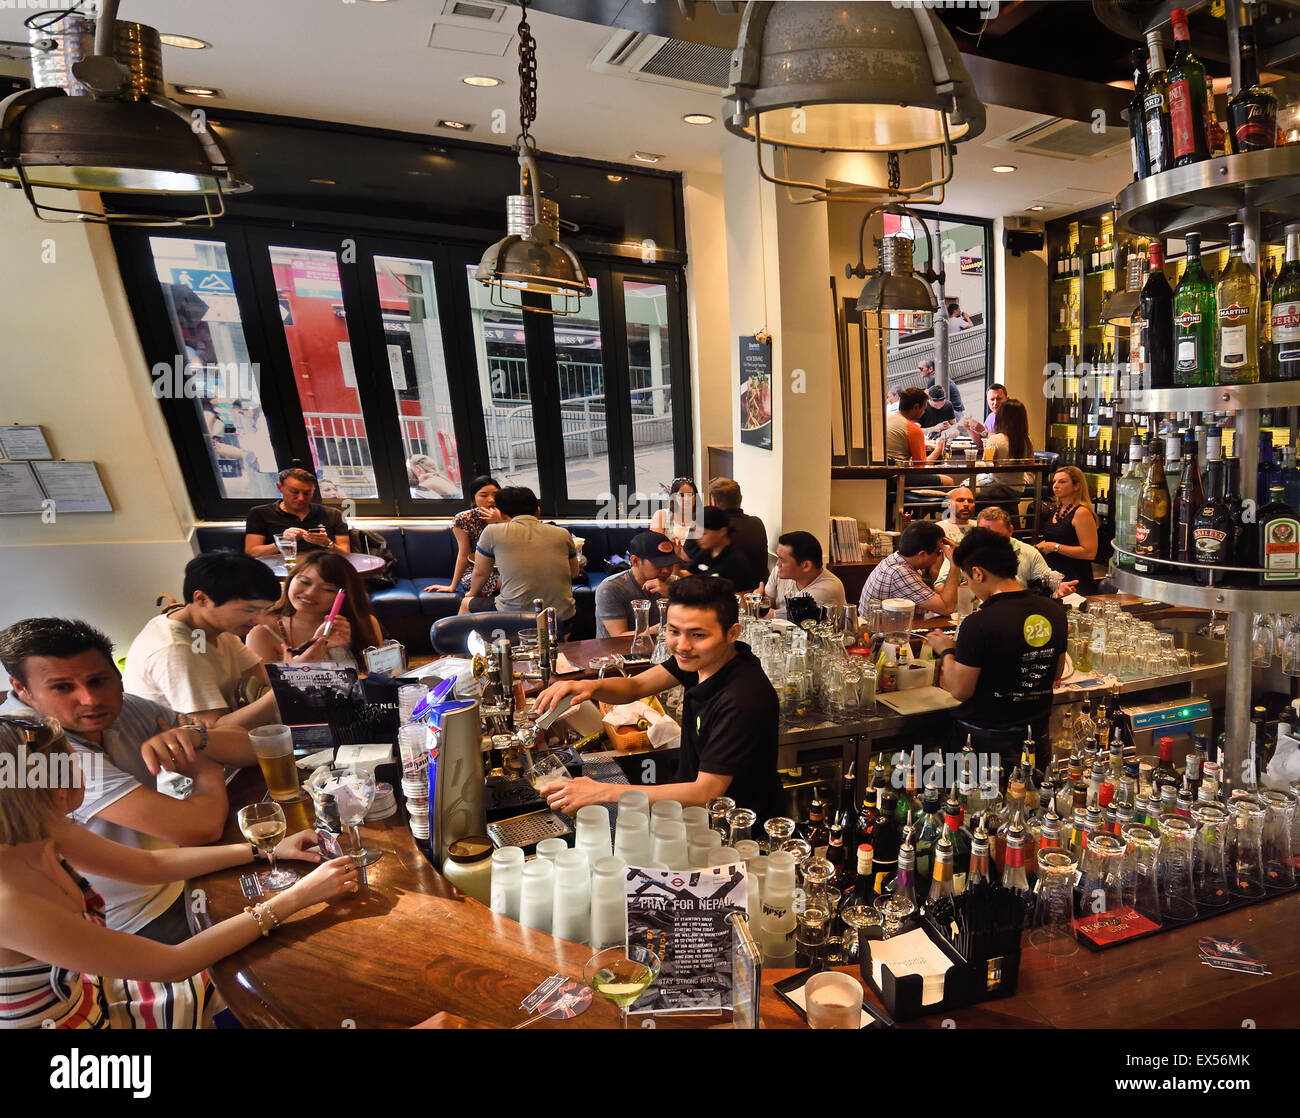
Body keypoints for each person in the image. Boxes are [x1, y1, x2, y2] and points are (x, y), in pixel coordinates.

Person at [0, 714, 359, 1029]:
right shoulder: (9, 905)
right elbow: (173, 964)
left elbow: (148, 866)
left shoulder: (45, 828)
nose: (83, 770)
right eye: (73, 762)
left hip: (95, 993)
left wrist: (263, 850)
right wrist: (299, 896)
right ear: (55, 791)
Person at [0, 618, 255, 943]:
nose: (90, 699)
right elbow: (201, 827)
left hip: (176, 871)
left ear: (117, 675)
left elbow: (251, 748)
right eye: (62, 687)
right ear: (21, 689)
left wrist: (195, 736)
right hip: (135, 919)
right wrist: (204, 767)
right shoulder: (34, 748)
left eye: (98, 680)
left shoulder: (124, 708)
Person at [532, 577, 782, 822]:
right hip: (697, 816)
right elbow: (635, 685)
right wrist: (590, 686)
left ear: (732, 633)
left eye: (698, 635)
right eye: (674, 631)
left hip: (738, 827)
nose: (682, 645)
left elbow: (705, 791)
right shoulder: (701, 660)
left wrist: (604, 791)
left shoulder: (742, 698)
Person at [924, 528, 1068, 766]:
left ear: (978, 573)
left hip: (983, 745)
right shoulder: (1054, 611)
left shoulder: (978, 623)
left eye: (967, 579)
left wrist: (946, 650)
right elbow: (1056, 673)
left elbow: (960, 690)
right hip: (1036, 740)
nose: (970, 587)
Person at [123, 553, 284, 729]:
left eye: (264, 610)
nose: (259, 620)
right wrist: (283, 691)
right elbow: (217, 730)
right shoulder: (175, 649)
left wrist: (296, 670)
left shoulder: (208, 630)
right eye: (250, 610)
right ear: (201, 599)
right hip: (183, 750)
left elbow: (258, 675)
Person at [459, 486, 579, 634]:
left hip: (515, 617)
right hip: (562, 618)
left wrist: (473, 593)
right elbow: (574, 573)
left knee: (466, 604)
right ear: (538, 511)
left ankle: (456, 655)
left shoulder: (492, 532)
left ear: (501, 515)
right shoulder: (562, 533)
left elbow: (480, 573)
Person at [247, 550, 385, 667]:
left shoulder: (364, 622)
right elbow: (268, 693)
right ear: (290, 579)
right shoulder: (263, 633)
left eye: (327, 589)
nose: (310, 593)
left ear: (344, 596)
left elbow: (381, 677)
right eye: (304, 582)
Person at [858, 521, 958, 620]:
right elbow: (947, 608)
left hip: (891, 625)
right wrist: (955, 564)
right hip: (877, 631)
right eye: (938, 552)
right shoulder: (900, 573)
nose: (939, 556)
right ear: (922, 554)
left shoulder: (898, 559)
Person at [244, 467, 350, 559]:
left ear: (313, 491)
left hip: (323, 569)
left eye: (307, 493)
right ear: (280, 487)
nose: (301, 498)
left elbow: (346, 554)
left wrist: (328, 544)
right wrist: (282, 542)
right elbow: (251, 553)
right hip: (278, 571)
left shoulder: (333, 514)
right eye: (294, 492)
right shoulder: (260, 513)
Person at [424, 476, 504, 598]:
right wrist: (452, 587)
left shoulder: (508, 517)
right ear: (474, 498)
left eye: (495, 495)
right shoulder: (463, 519)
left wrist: (499, 522)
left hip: (506, 568)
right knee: (505, 581)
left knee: (514, 577)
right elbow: (463, 554)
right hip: (476, 571)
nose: (491, 500)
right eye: (484, 495)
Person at [973, 507, 1077, 597]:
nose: (989, 541)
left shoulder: (1028, 553)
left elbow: (1044, 581)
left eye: (996, 536)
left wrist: (1056, 587)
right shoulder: (969, 554)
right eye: (984, 534)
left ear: (1010, 531)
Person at [594, 531, 679, 638]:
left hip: (660, 650)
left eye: (670, 564)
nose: (666, 570)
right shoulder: (611, 588)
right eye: (658, 565)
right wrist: (664, 628)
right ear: (635, 561)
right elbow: (619, 637)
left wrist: (673, 595)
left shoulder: (673, 584)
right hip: (617, 652)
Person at [1037, 466, 1100, 595]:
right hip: (1054, 577)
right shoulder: (1057, 509)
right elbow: (1055, 538)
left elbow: (1090, 552)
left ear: (1077, 486)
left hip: (1074, 579)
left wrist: (1054, 547)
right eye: (1054, 481)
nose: (1056, 485)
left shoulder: (1081, 513)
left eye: (1062, 482)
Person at [761, 531, 847, 616]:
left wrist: (756, 604)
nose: (777, 564)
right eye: (778, 557)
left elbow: (773, 615)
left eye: (782, 560)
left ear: (806, 566)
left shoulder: (827, 590)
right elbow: (767, 604)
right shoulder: (779, 571)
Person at [705, 477, 769, 582]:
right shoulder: (757, 523)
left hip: (725, 594)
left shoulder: (714, 529)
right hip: (759, 592)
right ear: (741, 498)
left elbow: (690, 559)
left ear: (714, 502)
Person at [886, 387, 951, 487]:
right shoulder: (913, 429)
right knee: (948, 481)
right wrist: (938, 448)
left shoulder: (887, 417)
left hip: (881, 473)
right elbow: (921, 467)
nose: (924, 412)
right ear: (916, 407)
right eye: (924, 408)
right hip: (896, 477)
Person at [688, 507, 762, 591]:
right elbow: (687, 574)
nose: (698, 537)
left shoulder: (736, 560)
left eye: (703, 533)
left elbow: (742, 597)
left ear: (722, 531)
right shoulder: (705, 553)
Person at [976, 397, 1033, 502]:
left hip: (998, 487)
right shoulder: (1027, 441)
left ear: (1001, 418)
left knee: (964, 489)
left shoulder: (995, 440)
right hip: (1018, 489)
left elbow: (985, 465)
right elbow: (1030, 465)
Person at [650, 477, 701, 543]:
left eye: (690, 495)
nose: (687, 499)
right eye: (682, 495)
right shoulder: (661, 515)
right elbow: (655, 544)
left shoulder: (703, 516)